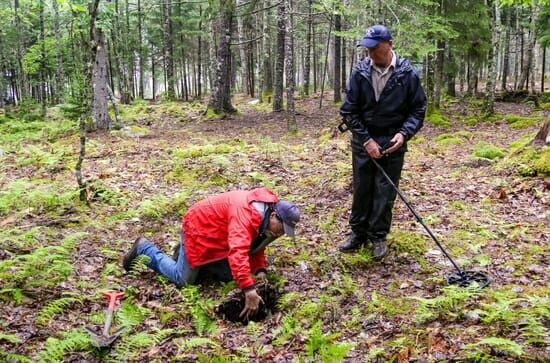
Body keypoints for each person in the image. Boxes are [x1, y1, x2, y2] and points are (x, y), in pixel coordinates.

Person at [123, 187, 300, 319]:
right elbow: (239, 251)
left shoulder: (265, 213)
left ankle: (185, 257)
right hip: (199, 228)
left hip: (220, 235)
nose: (281, 234)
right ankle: (144, 249)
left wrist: (260, 269)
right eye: (282, 228)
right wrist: (249, 290)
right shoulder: (245, 214)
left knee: (231, 275)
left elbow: (255, 245)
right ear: (274, 216)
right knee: (183, 279)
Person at [339, 24, 426, 258]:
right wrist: (366, 140)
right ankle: (358, 233)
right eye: (368, 49)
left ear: (389, 44)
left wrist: (404, 134)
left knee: (385, 191)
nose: (371, 53)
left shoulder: (408, 75)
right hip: (363, 139)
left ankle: (378, 236)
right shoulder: (360, 73)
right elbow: (349, 111)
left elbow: (418, 110)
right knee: (362, 187)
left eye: (375, 48)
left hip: (392, 141)